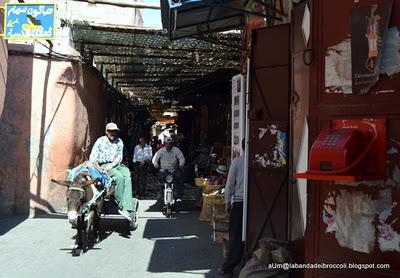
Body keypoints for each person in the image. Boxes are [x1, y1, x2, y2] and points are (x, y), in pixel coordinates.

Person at [89, 122, 134, 221]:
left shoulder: (119, 142)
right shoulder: (100, 141)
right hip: (103, 165)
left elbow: (118, 158)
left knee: (127, 176)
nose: (113, 133)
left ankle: (128, 207)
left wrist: (110, 166)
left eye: (114, 131)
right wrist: (98, 167)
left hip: (115, 165)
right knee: (119, 177)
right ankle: (121, 205)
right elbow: (93, 157)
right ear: (106, 132)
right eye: (110, 131)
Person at [219, 139, 245, 277]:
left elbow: (229, 186)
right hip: (253, 205)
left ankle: (229, 267)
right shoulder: (258, 161)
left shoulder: (237, 162)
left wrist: (227, 203)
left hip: (239, 204)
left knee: (235, 236)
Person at [152, 137, 185, 202]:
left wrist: (181, 165)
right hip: (163, 170)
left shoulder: (176, 150)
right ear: (164, 144)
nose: (168, 145)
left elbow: (181, 158)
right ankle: (160, 192)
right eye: (167, 143)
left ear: (172, 144)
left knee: (180, 180)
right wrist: (156, 165)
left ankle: (178, 196)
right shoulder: (161, 151)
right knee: (160, 181)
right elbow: (155, 159)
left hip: (174, 170)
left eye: (170, 143)